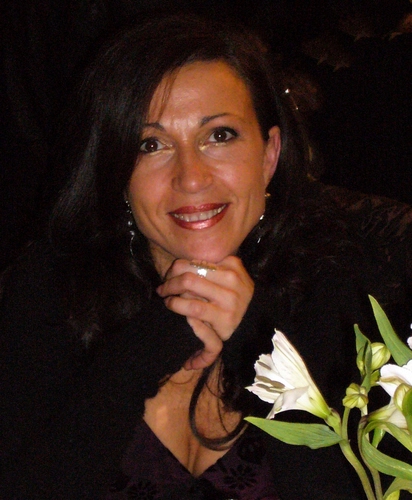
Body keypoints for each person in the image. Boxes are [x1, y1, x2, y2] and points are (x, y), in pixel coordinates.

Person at [1, 12, 411, 500]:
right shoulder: (52, 291)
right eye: (151, 144)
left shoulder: (349, 296)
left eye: (219, 135)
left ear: (269, 156)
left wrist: (259, 343)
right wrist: (146, 347)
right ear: (116, 172)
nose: (191, 178)